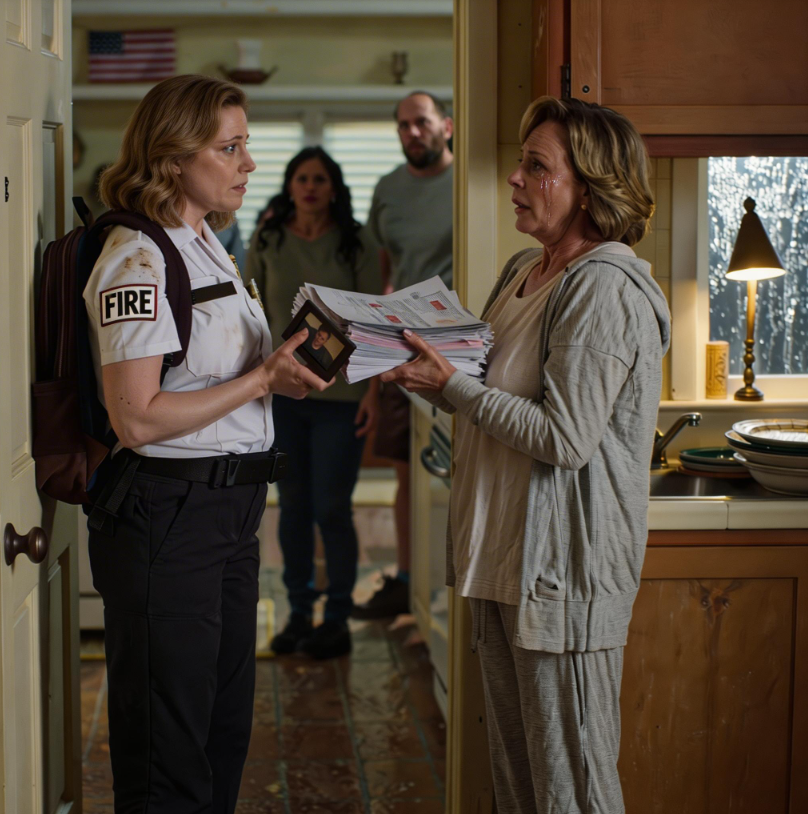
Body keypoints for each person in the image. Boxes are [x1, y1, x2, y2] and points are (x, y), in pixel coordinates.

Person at [382, 96, 670, 814]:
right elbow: (485, 397)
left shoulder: (604, 287)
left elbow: (565, 438)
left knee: (573, 793)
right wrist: (425, 371)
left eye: (536, 166)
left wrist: (454, 386)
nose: (514, 178)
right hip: (503, 564)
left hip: (563, 578)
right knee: (520, 790)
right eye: (521, 162)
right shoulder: (522, 269)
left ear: (590, 187)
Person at [84, 75, 331, 813]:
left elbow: (211, 376)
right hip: (169, 518)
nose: (248, 163)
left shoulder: (205, 244)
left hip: (229, 514)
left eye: (245, 144)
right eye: (229, 148)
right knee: (169, 751)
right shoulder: (137, 257)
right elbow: (136, 419)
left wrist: (285, 374)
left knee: (222, 734)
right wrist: (261, 379)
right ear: (171, 157)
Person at [246, 146, 381, 659]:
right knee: (293, 507)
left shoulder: (356, 242)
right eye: (302, 178)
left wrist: (374, 392)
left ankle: (338, 618)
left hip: (343, 396)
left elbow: (375, 323)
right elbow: (251, 312)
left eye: (319, 179)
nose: (309, 187)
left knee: (332, 507)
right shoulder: (268, 238)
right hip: (283, 394)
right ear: (290, 185)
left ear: (334, 188)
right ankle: (299, 614)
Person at [353, 90, 454, 620]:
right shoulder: (388, 189)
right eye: (403, 125)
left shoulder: (467, 183)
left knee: (454, 475)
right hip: (400, 345)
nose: (413, 133)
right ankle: (412, 585)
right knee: (407, 472)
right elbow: (384, 279)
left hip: (459, 348)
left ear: (446, 126)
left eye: (422, 122)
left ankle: (448, 592)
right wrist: (374, 378)